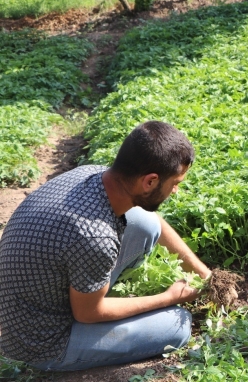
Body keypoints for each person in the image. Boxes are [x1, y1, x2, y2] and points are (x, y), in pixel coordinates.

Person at [0, 121, 212, 371]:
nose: (175, 191)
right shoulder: (96, 238)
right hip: (42, 342)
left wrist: (205, 275)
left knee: (146, 223)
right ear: (150, 181)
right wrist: (168, 298)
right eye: (175, 182)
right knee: (179, 325)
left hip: (27, 300)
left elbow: (156, 224)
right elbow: (89, 313)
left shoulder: (93, 174)